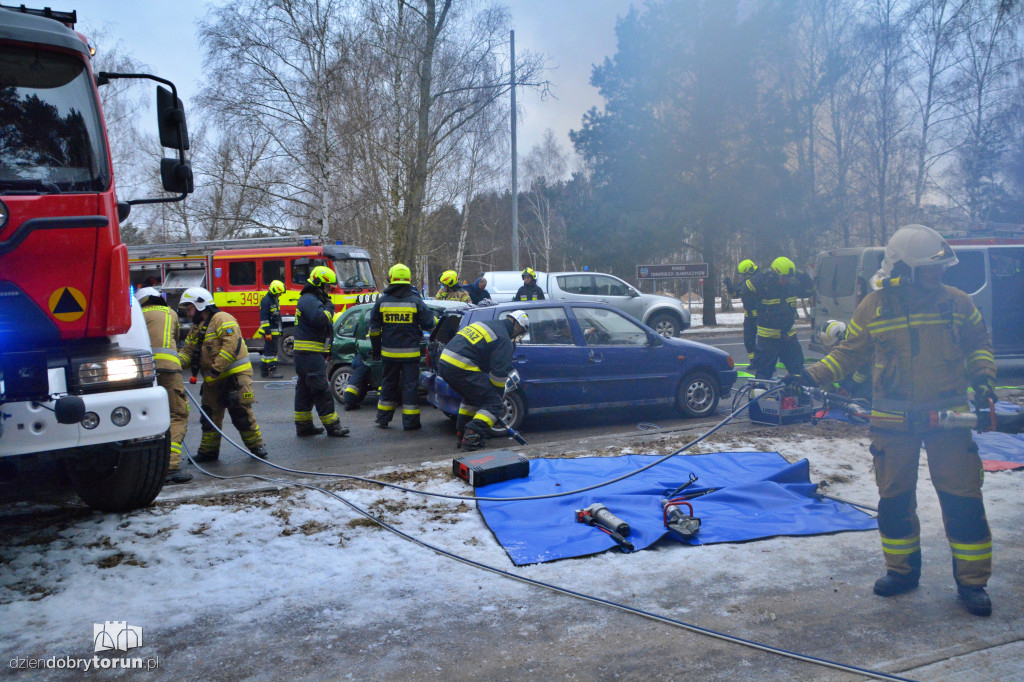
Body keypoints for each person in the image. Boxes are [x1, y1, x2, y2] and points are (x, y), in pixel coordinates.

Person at [791, 224, 997, 616]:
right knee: (895, 501)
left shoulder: (957, 303)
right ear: (903, 269)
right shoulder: (874, 306)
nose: (939, 274)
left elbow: (978, 347)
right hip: (893, 421)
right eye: (929, 268)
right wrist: (811, 375)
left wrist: (985, 381)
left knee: (963, 500)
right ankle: (901, 573)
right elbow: (849, 353)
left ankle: (973, 583)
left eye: (940, 268)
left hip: (948, 420)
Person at [178, 287, 269, 461]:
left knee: (241, 413)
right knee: (209, 416)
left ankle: (257, 447)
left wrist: (216, 368)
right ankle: (208, 452)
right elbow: (188, 351)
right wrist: (173, 365)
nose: (188, 314)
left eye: (189, 308)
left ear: (200, 305)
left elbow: (231, 345)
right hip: (213, 380)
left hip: (234, 376)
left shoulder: (222, 319)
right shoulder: (197, 328)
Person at [437, 310, 529, 449]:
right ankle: (471, 437)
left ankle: (462, 435)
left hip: (445, 363)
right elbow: (498, 374)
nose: (518, 335)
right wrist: (497, 396)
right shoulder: (504, 339)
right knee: (494, 403)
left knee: (472, 398)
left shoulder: (490, 325)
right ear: (517, 325)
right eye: (520, 331)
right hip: (461, 366)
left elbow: (483, 357)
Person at [369, 263, 436, 430]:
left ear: (390, 279)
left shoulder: (381, 302)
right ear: (408, 280)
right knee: (410, 387)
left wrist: (376, 351)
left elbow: (374, 331)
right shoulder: (415, 302)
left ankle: (383, 419)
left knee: (388, 385)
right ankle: (411, 423)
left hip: (388, 354)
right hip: (410, 355)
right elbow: (429, 323)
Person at [136, 287, 191, 484]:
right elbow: (174, 340)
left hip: (141, 372)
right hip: (168, 368)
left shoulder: (137, 315)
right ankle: (170, 465)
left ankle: (145, 464)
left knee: (146, 416)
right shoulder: (171, 313)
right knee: (177, 414)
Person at [293, 266, 350, 438]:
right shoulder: (310, 300)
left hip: (307, 355)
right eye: (327, 288)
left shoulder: (309, 299)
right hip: (309, 355)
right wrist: (330, 306)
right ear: (319, 284)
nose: (328, 291)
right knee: (320, 389)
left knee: (304, 390)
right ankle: (333, 426)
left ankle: (304, 425)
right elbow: (321, 319)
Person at [745, 256, 813, 379]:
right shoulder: (764, 288)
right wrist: (765, 273)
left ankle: (799, 395)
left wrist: (799, 273)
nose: (786, 281)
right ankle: (760, 395)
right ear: (775, 275)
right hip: (768, 340)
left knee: (798, 370)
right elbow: (745, 288)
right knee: (763, 374)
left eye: (789, 278)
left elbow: (810, 288)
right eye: (783, 278)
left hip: (788, 337)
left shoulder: (792, 288)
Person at [723, 259, 759, 362]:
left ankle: (764, 361)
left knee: (763, 342)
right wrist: (729, 286)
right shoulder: (746, 281)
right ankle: (753, 360)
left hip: (760, 316)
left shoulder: (760, 279)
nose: (743, 276)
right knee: (748, 341)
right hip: (749, 316)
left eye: (745, 274)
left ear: (751, 270)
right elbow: (735, 294)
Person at [257, 279, 285, 379]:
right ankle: (272, 371)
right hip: (269, 331)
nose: (280, 295)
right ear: (274, 291)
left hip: (273, 330)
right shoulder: (266, 300)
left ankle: (264, 371)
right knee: (272, 351)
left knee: (268, 350)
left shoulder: (273, 299)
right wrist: (268, 333)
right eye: (279, 293)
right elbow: (264, 319)